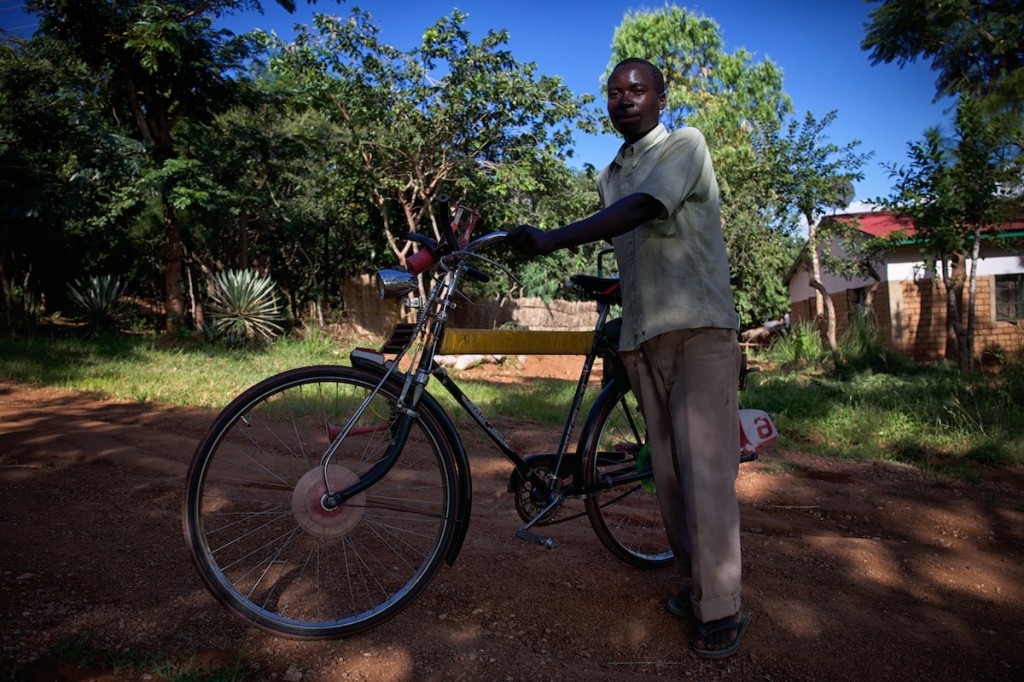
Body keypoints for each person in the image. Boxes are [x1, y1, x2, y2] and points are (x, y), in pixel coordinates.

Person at [506, 57, 750, 659]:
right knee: (666, 475)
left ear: (660, 99)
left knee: (706, 474)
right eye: (614, 92)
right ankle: (699, 587)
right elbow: (633, 255)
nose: (624, 100)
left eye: (636, 90)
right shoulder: (609, 174)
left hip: (698, 333)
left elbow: (643, 209)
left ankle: (722, 607)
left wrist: (552, 238)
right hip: (642, 338)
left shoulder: (686, 144)